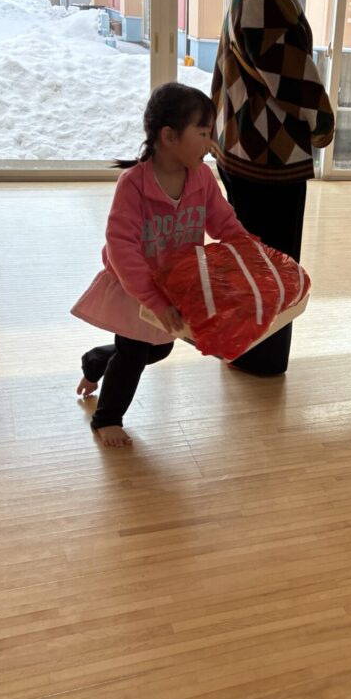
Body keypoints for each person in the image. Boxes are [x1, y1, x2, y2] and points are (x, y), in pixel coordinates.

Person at [72, 83, 248, 446]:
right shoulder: (133, 185)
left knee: (160, 347)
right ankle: (107, 418)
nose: (210, 143)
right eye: (203, 133)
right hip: (136, 285)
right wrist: (152, 300)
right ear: (169, 136)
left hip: (174, 285)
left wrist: (247, 248)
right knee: (134, 350)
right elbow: (121, 248)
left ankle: (96, 361)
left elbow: (223, 222)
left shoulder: (201, 178)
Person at [210, 0, 334, 374]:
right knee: (271, 267)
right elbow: (293, 77)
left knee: (249, 259)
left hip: (244, 147)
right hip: (266, 156)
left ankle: (242, 349)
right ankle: (258, 358)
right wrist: (323, 125)